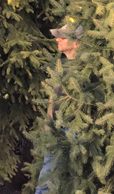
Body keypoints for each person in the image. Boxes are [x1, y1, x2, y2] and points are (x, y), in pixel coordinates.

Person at [34, 23, 83, 194]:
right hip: (56, 129)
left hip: (76, 131)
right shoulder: (60, 64)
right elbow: (52, 97)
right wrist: (48, 124)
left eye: (62, 37)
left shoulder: (86, 68)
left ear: (77, 42)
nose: (57, 39)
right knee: (47, 176)